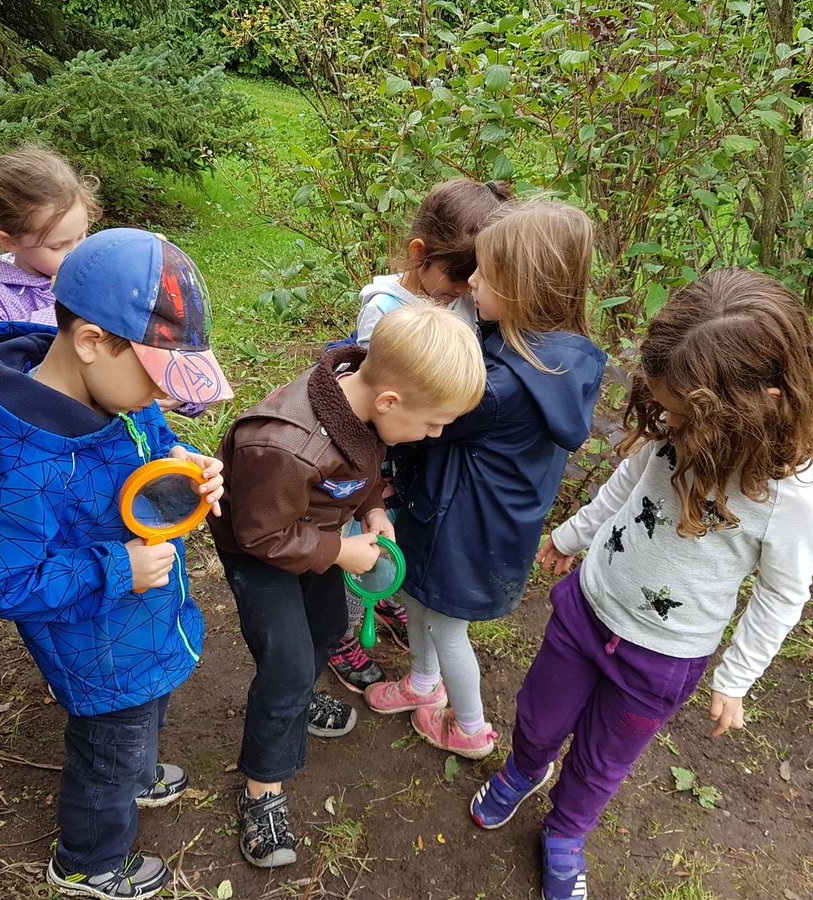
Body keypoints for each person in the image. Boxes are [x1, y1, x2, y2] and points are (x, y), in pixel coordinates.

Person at [469, 269, 813, 900]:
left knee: (605, 757)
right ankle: (524, 769)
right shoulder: (675, 422)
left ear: (759, 403)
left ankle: (566, 832)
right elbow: (628, 484)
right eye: (660, 404)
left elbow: (782, 592)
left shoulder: (792, 498)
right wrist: (573, 535)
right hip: (588, 608)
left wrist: (736, 678)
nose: (663, 418)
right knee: (539, 713)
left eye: (676, 409)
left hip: (664, 659)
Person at [0, 228, 233, 899]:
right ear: (92, 342)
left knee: (142, 724)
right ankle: (89, 860)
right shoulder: (30, 466)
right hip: (100, 648)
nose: (161, 400)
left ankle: (136, 773)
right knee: (108, 752)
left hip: (140, 626)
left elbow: (143, 434)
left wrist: (178, 459)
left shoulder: (107, 394)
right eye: (156, 380)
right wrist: (115, 570)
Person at [208, 304, 487, 869]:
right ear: (389, 402)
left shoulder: (364, 402)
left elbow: (362, 468)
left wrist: (374, 509)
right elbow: (260, 534)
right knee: (285, 662)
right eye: (432, 423)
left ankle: (297, 702)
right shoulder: (284, 444)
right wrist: (339, 550)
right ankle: (264, 790)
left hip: (314, 536)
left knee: (329, 626)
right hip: (262, 549)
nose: (434, 434)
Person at [364, 200, 607, 763]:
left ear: (524, 290)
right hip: (472, 517)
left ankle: (470, 727)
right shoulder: (555, 357)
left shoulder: (497, 388)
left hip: (461, 527)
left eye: (484, 276)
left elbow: (423, 425)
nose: (470, 281)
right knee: (422, 603)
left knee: (447, 625)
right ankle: (423, 685)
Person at [327, 178, 513, 694]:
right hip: (370, 455)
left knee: (395, 533)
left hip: (416, 453)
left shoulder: (461, 297)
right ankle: (340, 631)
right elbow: (376, 398)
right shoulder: (384, 309)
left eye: (476, 280)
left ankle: (384, 593)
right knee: (352, 534)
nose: (466, 291)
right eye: (457, 281)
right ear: (419, 256)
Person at [0, 144, 100, 330]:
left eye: (81, 236)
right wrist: (60, 314)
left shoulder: (90, 270)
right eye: (57, 246)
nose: (77, 252)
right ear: (10, 241)